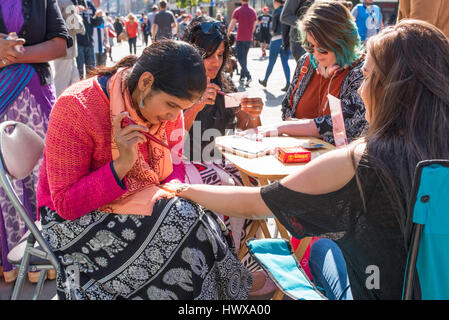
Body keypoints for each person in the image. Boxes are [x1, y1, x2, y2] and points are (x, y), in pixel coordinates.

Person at [163, 19, 449, 300]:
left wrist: (179, 189)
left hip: (376, 289)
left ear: (392, 89)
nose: (361, 91)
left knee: (314, 246)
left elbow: (256, 202)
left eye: (369, 77)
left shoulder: (360, 161)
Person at [36, 40, 252, 300]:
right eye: (171, 106)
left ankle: (226, 293)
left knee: (198, 213)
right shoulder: (76, 107)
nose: (174, 118)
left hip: (132, 201)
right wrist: (120, 166)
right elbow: (65, 204)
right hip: (70, 224)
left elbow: (169, 171)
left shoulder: (164, 111)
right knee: (183, 222)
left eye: (181, 109)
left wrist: (176, 193)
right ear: (146, 82)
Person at [179, 17, 274, 297]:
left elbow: (248, 128)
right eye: (207, 54)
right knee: (229, 187)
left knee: (254, 183)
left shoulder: (225, 86)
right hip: (183, 164)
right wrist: (193, 109)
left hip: (218, 161)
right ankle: (226, 269)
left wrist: (253, 113)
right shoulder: (175, 85)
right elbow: (164, 137)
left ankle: (238, 263)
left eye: (220, 54)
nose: (214, 62)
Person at [0, 0, 70, 283]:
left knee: (43, 175)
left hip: (37, 99)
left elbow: (60, 45)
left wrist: (14, 54)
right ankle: (9, 260)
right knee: (5, 185)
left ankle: (42, 257)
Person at [249, 1, 366, 147]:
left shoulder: (363, 70)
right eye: (309, 46)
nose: (316, 55)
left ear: (343, 41)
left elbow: (347, 121)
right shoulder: (306, 61)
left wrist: (287, 128)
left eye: (323, 48)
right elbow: (287, 108)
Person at [53, 0, 86, 97]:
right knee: (62, 84)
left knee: (74, 83)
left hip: (61, 47)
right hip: (66, 48)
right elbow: (77, 26)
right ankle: (56, 109)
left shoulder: (59, 2)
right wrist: (79, 17)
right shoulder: (67, 3)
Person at [258, 0, 291, 91]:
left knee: (271, 62)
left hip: (276, 40)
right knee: (285, 63)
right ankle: (288, 83)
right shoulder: (287, 10)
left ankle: (265, 80)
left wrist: (271, 33)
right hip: (286, 40)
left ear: (276, 2)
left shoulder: (276, 12)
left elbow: (273, 28)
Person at [227, 0, 258, 86]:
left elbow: (232, 24)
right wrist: (250, 33)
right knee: (244, 58)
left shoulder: (238, 10)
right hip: (248, 38)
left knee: (240, 58)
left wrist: (227, 34)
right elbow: (254, 25)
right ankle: (242, 78)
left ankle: (248, 76)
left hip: (240, 38)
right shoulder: (253, 11)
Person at [76, 0, 103, 79]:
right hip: (77, 43)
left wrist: (99, 17)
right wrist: (75, 8)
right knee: (79, 71)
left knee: (91, 71)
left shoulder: (89, 4)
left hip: (89, 42)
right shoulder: (73, 3)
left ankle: (90, 89)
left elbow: (96, 23)